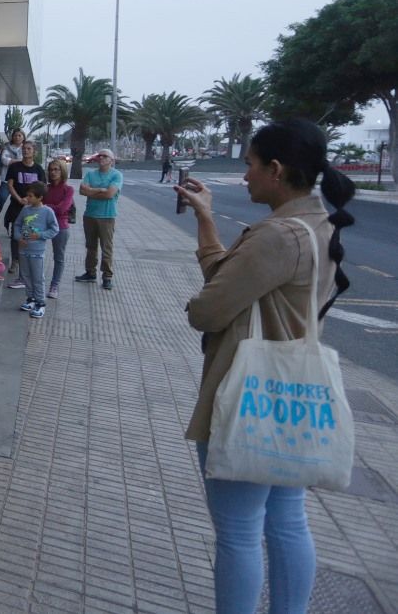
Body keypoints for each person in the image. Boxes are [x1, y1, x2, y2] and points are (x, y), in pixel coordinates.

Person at [176, 119, 354, 614]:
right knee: (287, 520)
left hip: (248, 394)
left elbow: (209, 309)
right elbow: (235, 280)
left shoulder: (277, 236)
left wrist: (194, 307)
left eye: (251, 165)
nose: (246, 175)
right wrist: (207, 221)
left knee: (236, 533)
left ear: (276, 170)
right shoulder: (320, 223)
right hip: (291, 399)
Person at [76, 147, 123, 290]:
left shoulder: (116, 175)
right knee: (90, 246)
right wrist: (100, 190)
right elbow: (81, 190)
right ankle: (90, 272)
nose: (101, 158)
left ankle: (107, 276)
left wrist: (92, 192)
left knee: (106, 248)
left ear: (111, 160)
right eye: (100, 156)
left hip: (107, 216)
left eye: (105, 156)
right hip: (90, 215)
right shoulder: (90, 174)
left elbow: (110, 194)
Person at [3, 140, 45, 287]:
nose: (26, 151)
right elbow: (10, 185)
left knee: (28, 234)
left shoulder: (38, 169)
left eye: (29, 149)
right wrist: (19, 198)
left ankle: (26, 262)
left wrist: (30, 200)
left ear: (34, 152)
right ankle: (14, 260)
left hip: (31, 208)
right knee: (15, 233)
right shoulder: (15, 167)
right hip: (16, 205)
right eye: (24, 149)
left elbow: (42, 188)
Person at [14, 182, 58, 319]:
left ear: (40, 197)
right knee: (26, 275)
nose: (27, 198)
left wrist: (40, 235)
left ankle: (40, 303)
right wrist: (18, 237)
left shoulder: (47, 212)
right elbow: (17, 224)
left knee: (38, 277)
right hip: (23, 249)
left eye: (31, 196)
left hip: (37, 251)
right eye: (27, 195)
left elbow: (54, 229)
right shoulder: (25, 210)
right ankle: (31, 298)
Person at [43, 158, 75, 299]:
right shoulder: (46, 188)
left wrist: (47, 207)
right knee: (35, 253)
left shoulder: (68, 189)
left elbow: (63, 209)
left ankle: (54, 285)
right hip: (43, 225)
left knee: (59, 257)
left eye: (56, 169)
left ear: (62, 171)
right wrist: (51, 208)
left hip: (60, 226)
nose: (53, 172)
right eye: (51, 170)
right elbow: (38, 205)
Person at [0, 128, 26, 222]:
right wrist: (19, 161)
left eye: (20, 135)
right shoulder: (7, 147)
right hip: (6, 179)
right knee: (1, 200)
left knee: (19, 203)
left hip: (21, 181)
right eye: (15, 135)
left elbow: (26, 161)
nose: (17, 137)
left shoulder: (26, 148)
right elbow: (4, 160)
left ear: (23, 137)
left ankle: (17, 225)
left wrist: (12, 160)